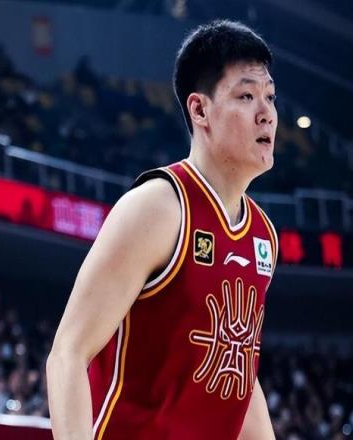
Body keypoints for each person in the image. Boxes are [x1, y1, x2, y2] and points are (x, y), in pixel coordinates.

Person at [47, 19, 278, 440]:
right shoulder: (157, 207)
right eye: (246, 96)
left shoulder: (263, 235)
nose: (267, 114)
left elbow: (240, 371)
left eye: (270, 96)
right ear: (200, 110)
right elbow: (67, 354)